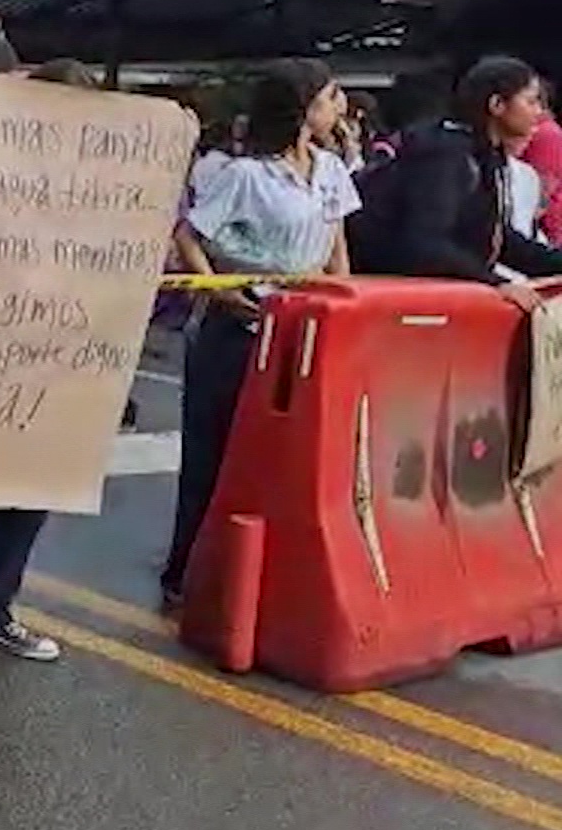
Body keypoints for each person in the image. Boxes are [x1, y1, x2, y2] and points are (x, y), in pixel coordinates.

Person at [163, 58, 359, 607]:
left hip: (306, 328)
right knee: (215, 450)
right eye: (330, 98)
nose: (339, 108)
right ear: (301, 109)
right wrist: (215, 288)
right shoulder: (246, 175)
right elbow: (189, 233)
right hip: (240, 328)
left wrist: (341, 295)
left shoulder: (332, 170)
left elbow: (337, 243)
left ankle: (263, 572)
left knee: (285, 458)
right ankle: (189, 569)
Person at [349, 55, 562, 301]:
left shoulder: (482, 154)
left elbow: (496, 239)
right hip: (389, 295)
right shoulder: (444, 155)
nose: (539, 112)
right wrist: (496, 284)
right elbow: (425, 243)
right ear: (496, 105)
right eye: (532, 101)